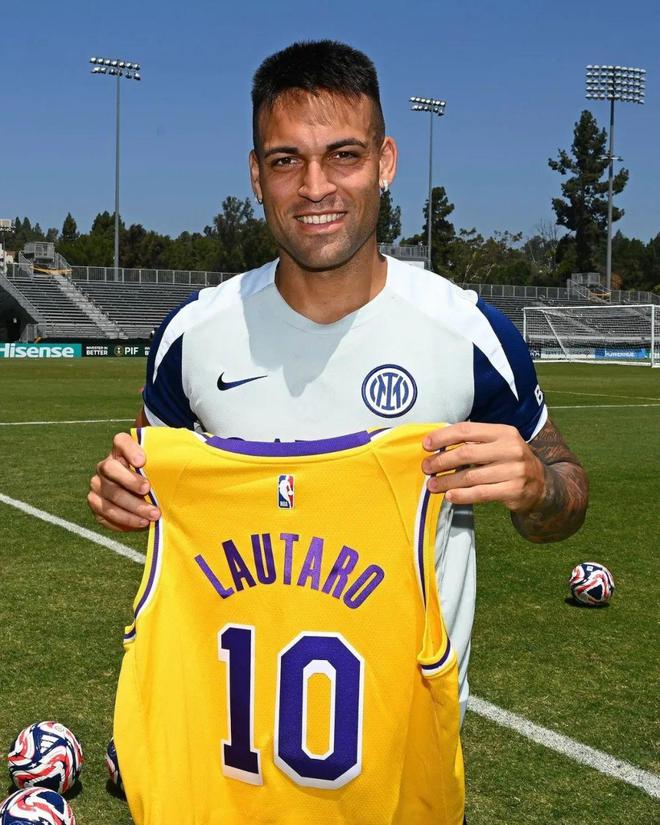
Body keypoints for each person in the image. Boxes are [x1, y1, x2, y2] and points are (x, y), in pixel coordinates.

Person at [88, 40, 588, 725]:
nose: (315, 186)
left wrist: (538, 488)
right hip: (226, 753)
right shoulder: (193, 336)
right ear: (256, 175)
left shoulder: (469, 334)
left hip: (404, 757)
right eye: (285, 160)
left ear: (385, 161)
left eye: (344, 155)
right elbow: (144, 477)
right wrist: (121, 491)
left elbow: (566, 495)